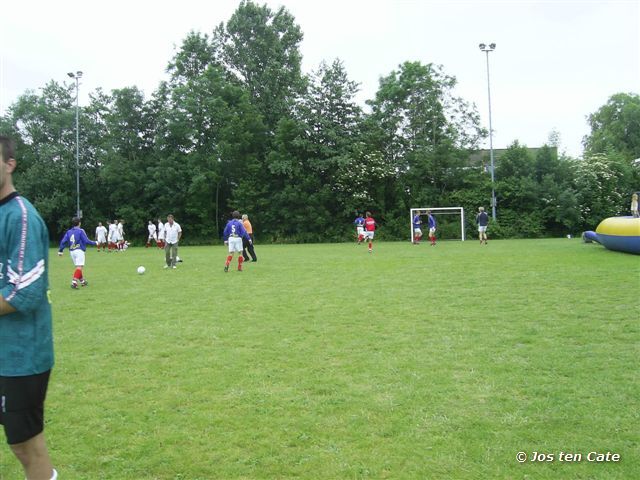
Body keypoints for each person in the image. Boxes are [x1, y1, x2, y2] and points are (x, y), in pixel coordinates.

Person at [0, 136, 58, 480]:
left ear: (9, 164)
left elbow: (25, 292)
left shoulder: (21, 217)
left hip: (20, 357)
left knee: (25, 445)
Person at [58, 217, 97, 288]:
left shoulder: (69, 232)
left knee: (78, 267)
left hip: (72, 251)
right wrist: (95, 243)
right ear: (79, 223)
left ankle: (82, 281)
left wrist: (60, 250)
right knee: (79, 267)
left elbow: (63, 241)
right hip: (79, 250)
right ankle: (74, 281)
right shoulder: (80, 231)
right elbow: (86, 241)